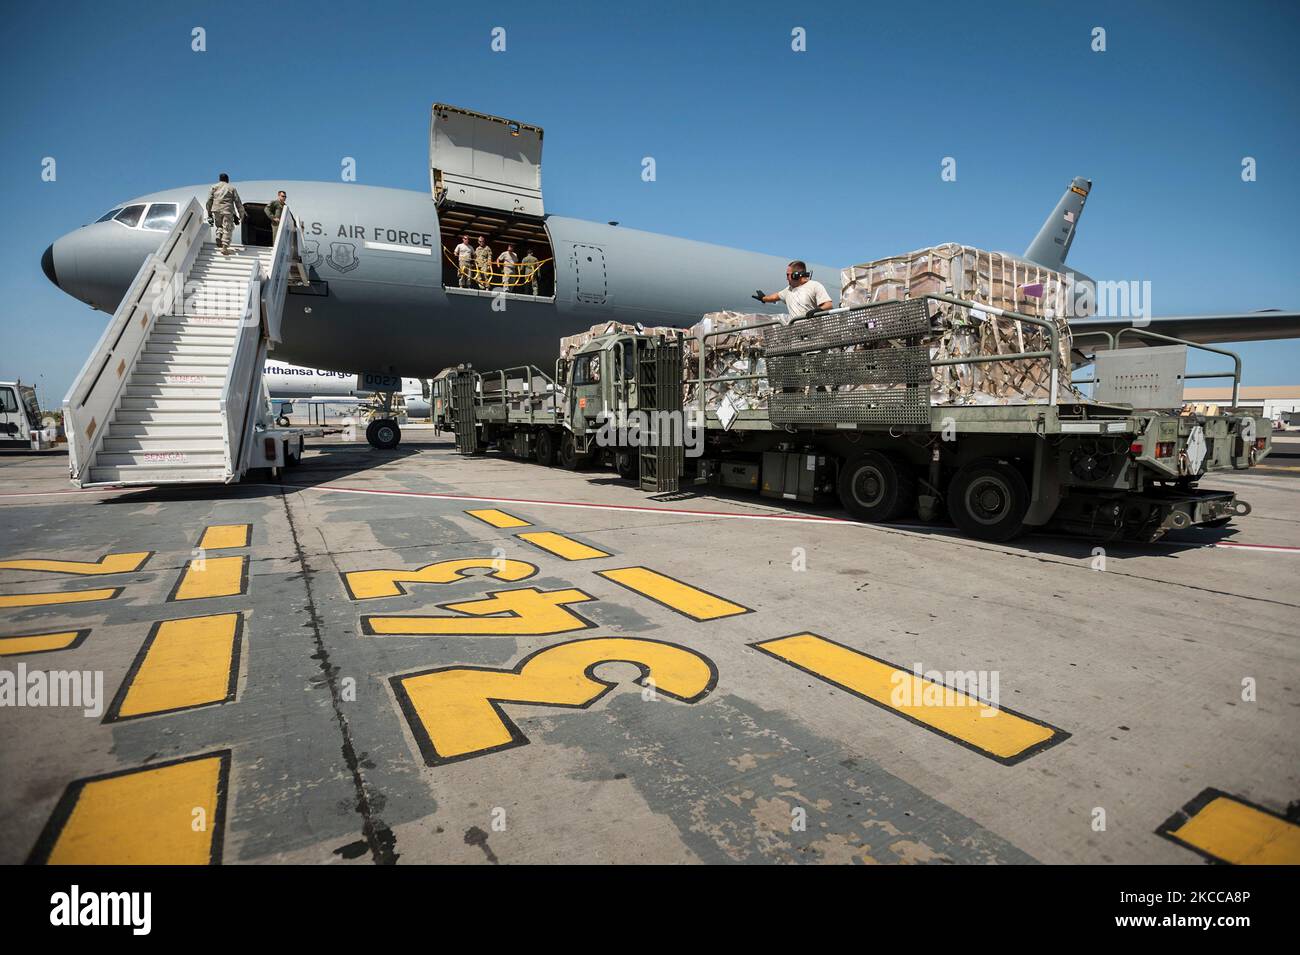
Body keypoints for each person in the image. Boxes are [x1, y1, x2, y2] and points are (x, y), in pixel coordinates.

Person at [753, 260, 833, 318]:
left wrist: (819, 310)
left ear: (796, 275)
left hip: (814, 334)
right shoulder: (788, 290)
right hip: (796, 334)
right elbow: (775, 297)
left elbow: (828, 305)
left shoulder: (814, 286)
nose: (786, 278)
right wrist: (763, 298)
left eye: (788, 275)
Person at [206, 173, 246, 255]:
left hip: (216, 209)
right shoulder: (231, 188)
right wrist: (241, 214)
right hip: (227, 210)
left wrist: (209, 212)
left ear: (220, 179)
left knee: (219, 226)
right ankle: (224, 247)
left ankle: (218, 235)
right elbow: (238, 202)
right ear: (227, 179)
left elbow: (209, 200)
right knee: (228, 228)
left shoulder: (214, 187)